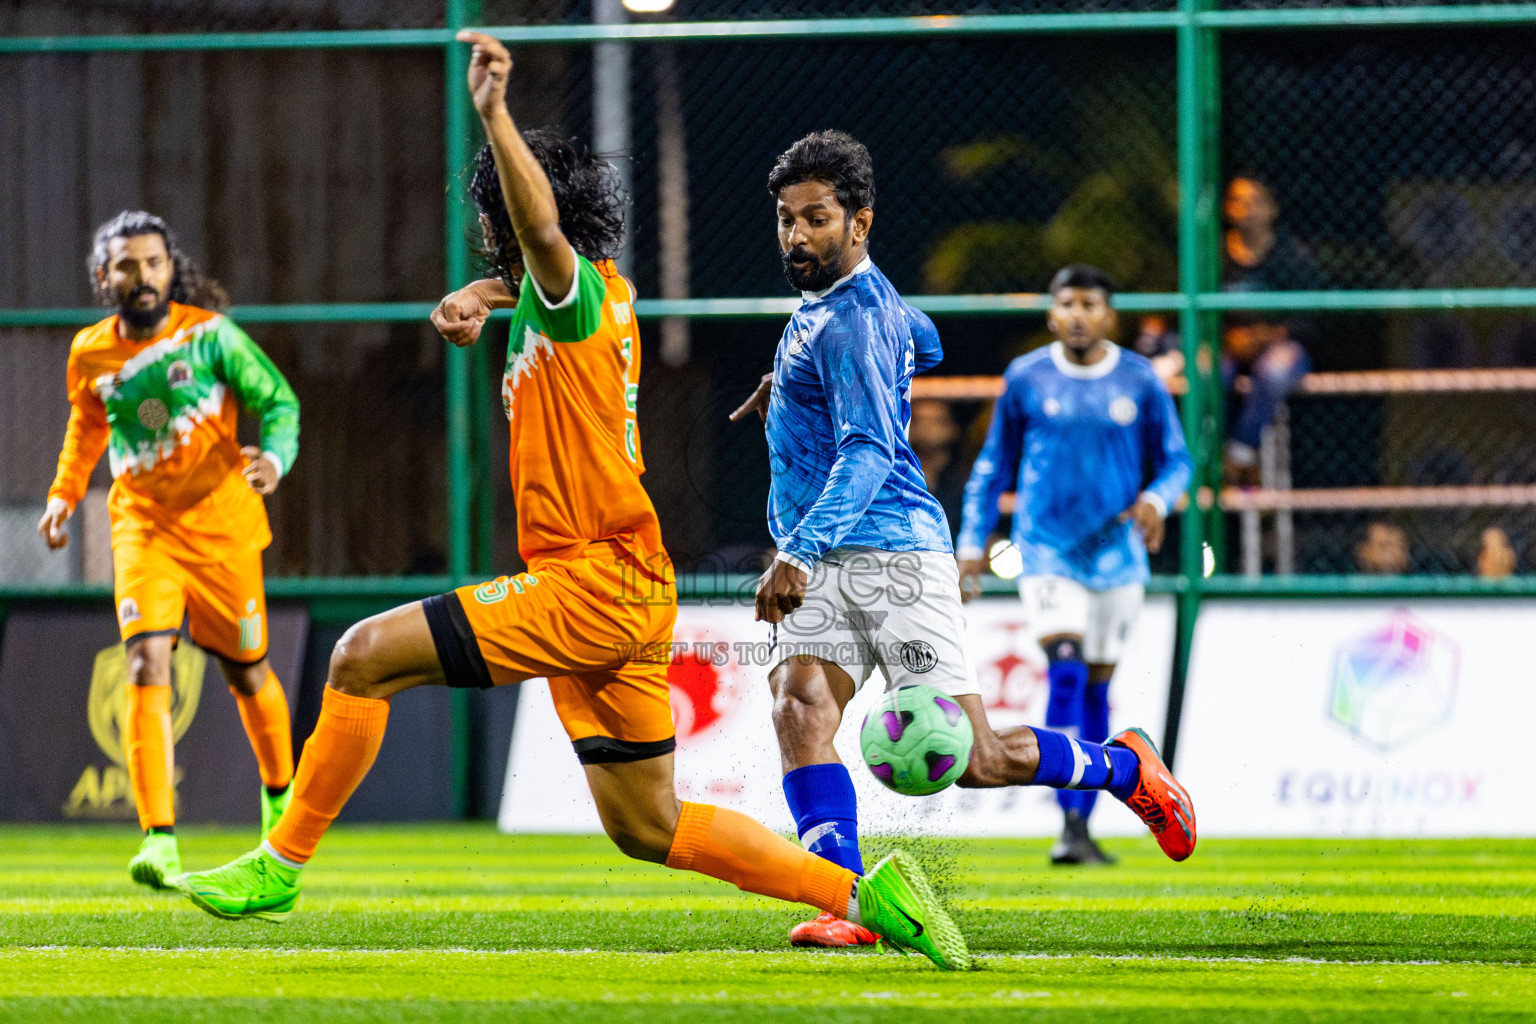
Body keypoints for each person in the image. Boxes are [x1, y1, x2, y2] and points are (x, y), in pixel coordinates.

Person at [177, 35, 968, 972]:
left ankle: (282, 861)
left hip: (590, 580)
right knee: (647, 823)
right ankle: (866, 894)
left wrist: (494, 116)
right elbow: (540, 267)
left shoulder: (567, 286)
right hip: (625, 585)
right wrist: (481, 293)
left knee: (360, 656)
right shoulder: (598, 294)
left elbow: (542, 242)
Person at [731, 133, 1196, 950]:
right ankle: (850, 904)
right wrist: (804, 381)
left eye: (815, 220)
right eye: (785, 220)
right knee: (798, 708)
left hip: (893, 555)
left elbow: (871, 450)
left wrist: (798, 553)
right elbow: (928, 336)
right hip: (827, 549)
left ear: (860, 222)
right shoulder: (842, 315)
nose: (796, 236)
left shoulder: (853, 319)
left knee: (977, 757)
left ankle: (1124, 766)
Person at [38, 211, 299, 889]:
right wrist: (64, 495)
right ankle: (160, 840)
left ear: (168, 267)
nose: (143, 275)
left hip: (224, 529)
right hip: (143, 528)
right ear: (104, 277)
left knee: (247, 673)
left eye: (153, 262)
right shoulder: (89, 352)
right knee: (146, 662)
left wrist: (273, 457)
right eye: (127, 264)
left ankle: (280, 797)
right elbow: (87, 425)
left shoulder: (211, 338)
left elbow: (277, 401)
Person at [954, 265, 1194, 866]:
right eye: (1068, 303)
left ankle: (1083, 820)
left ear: (1108, 315)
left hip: (1117, 556)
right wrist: (971, 543)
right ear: (1052, 314)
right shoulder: (1027, 378)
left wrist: (1155, 500)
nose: (1079, 314)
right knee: (1064, 668)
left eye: (1090, 304)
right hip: (1046, 549)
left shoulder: (1140, 381)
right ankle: (1067, 822)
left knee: (1096, 684)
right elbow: (991, 467)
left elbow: (1178, 462)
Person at [1221, 175, 1322, 484]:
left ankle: (1239, 454)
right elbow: (1195, 317)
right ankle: (1212, 453)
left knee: (1276, 369)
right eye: (1238, 201)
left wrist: (1267, 336)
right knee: (1206, 371)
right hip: (1228, 346)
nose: (1245, 209)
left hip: (1279, 344)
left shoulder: (1293, 257)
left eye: (1255, 201)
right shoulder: (1212, 256)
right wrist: (1229, 338)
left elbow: (1311, 319)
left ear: (1271, 210)